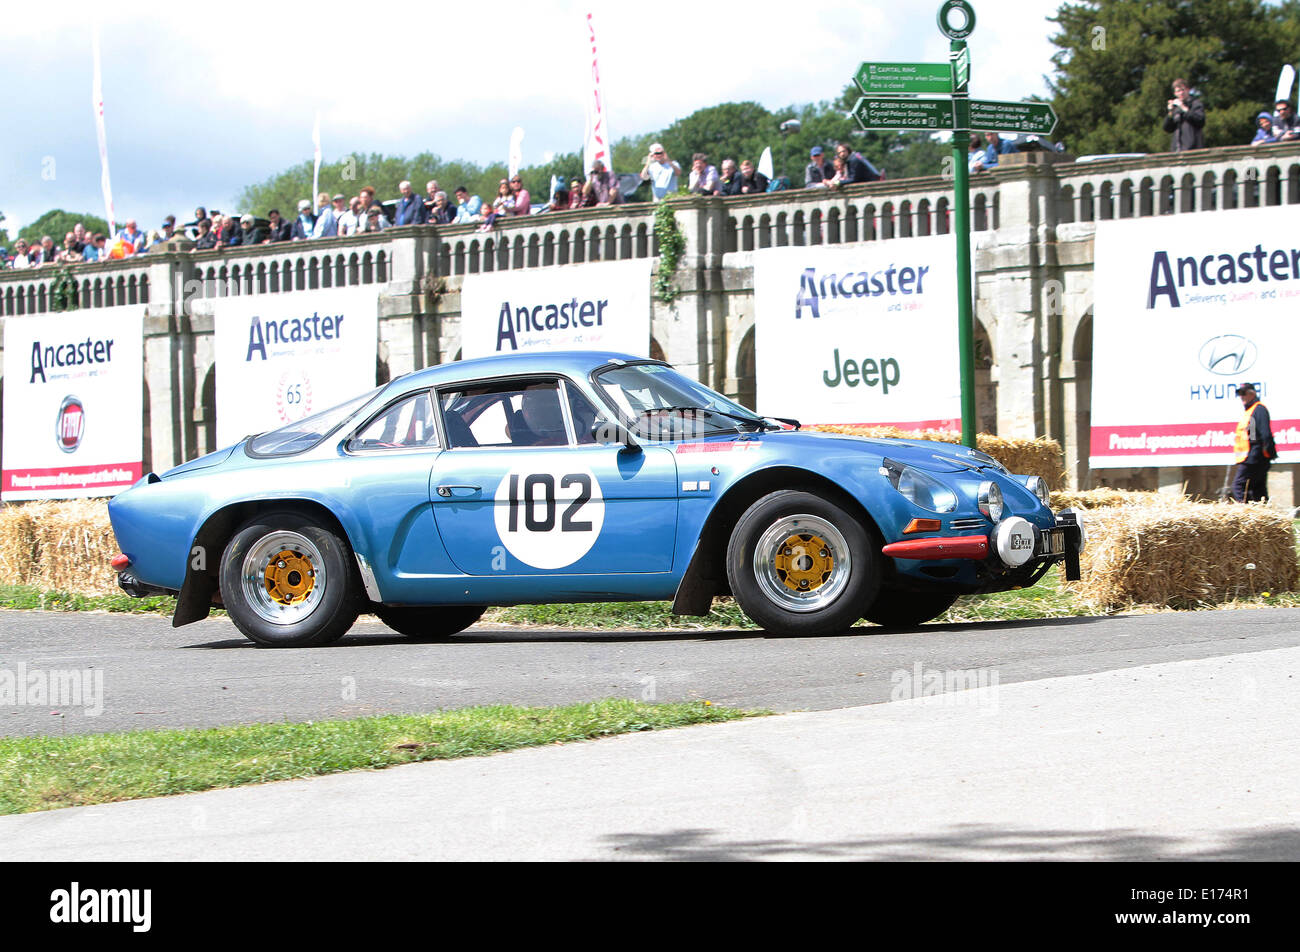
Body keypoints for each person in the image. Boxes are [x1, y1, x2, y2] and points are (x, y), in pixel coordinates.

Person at [1230, 383, 1277, 502]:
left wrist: (1266, 453)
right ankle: (1266, 517)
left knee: (1238, 486)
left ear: (1252, 393)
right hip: (1254, 457)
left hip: (1254, 457)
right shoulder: (1251, 410)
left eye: (1243, 393)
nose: (1241, 397)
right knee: (1258, 490)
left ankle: (1245, 515)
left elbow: (1265, 434)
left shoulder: (1259, 409)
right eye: (1240, 394)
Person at [1163, 78, 1205, 152]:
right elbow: (1167, 129)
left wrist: (1183, 108)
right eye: (1178, 91)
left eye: (1183, 90)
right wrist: (1170, 112)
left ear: (1188, 90)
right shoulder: (1176, 108)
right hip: (1177, 151)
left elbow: (1200, 121)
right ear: (1175, 94)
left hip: (1193, 150)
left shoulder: (1196, 104)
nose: (1181, 93)